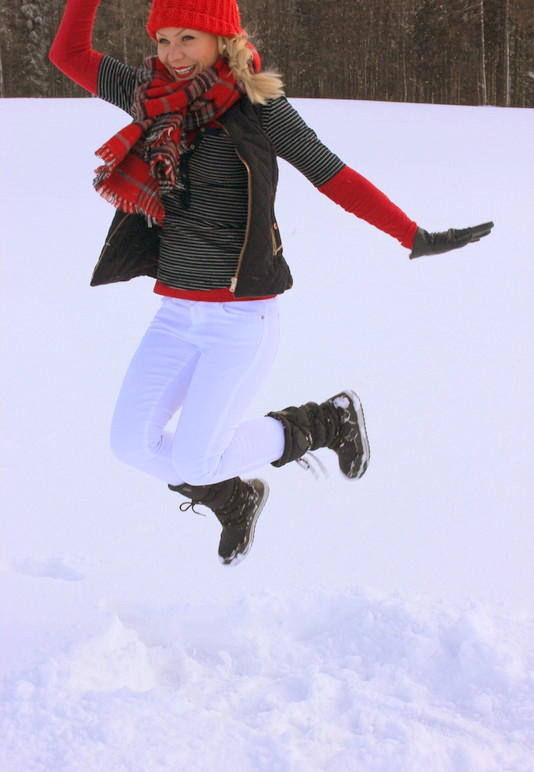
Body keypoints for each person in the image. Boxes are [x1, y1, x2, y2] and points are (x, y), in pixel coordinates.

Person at [49, 0, 493, 565]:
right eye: (163, 40)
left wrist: (414, 235)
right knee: (129, 444)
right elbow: (69, 54)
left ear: (221, 39)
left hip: (240, 316)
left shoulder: (256, 106)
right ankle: (233, 497)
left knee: (196, 461)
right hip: (176, 314)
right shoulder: (149, 95)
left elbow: (333, 175)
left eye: (188, 38)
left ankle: (327, 421)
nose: (173, 53)